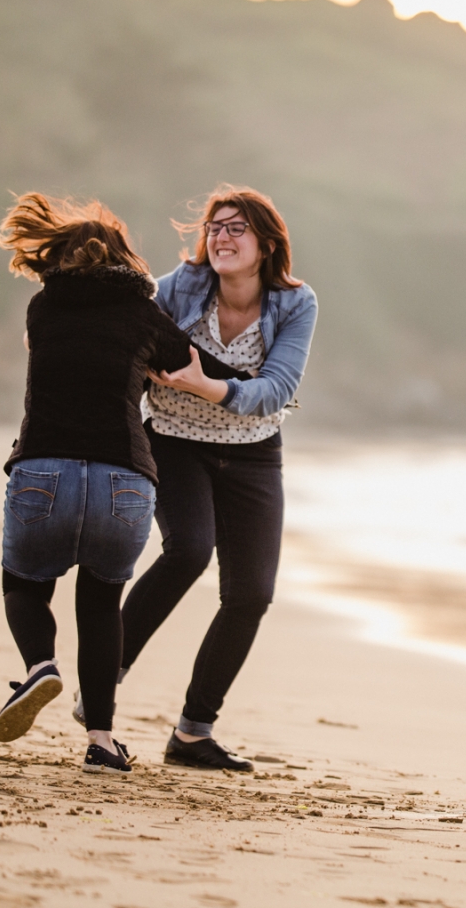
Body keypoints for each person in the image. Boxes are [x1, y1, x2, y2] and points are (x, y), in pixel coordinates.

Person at [0, 192, 204, 774]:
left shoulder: (43, 309)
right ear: (123, 255)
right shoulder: (142, 312)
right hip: (123, 478)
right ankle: (103, 742)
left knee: (24, 585)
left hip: (44, 470)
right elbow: (184, 360)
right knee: (102, 603)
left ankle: (39, 667)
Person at [115, 185, 317, 772]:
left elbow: (276, 390)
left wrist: (208, 385)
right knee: (188, 551)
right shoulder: (179, 288)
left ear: (266, 243)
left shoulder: (296, 303)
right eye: (214, 228)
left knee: (252, 594)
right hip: (174, 442)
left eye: (237, 228)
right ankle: (104, 675)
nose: (221, 238)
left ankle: (193, 733)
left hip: (253, 452)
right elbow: (132, 337)